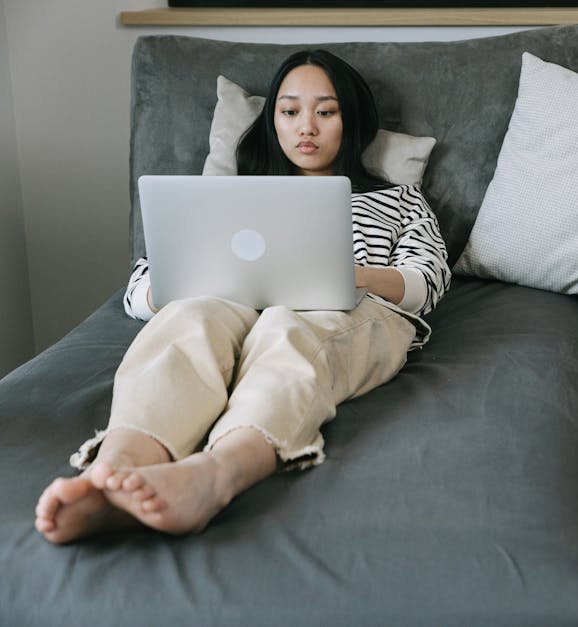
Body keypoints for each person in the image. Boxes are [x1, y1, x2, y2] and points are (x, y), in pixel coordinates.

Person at [34, 50, 451, 544]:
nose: (307, 127)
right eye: (290, 111)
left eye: (326, 111)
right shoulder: (227, 197)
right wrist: (182, 286)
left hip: (348, 309)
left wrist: (351, 274)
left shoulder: (397, 199)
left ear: (351, 120)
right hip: (232, 305)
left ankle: (216, 476)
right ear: (272, 121)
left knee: (287, 328)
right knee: (191, 317)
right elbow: (143, 291)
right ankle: (115, 471)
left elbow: (428, 280)